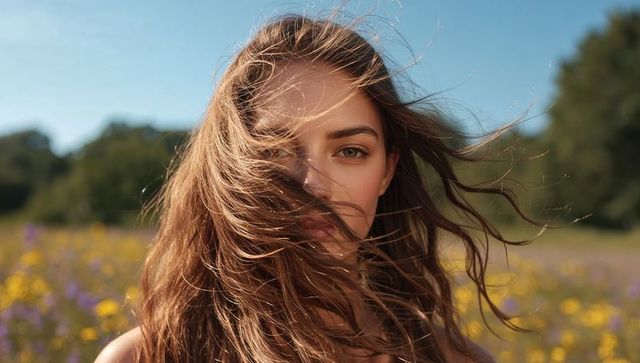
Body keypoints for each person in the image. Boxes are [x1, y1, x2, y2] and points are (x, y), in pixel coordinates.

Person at [96, 13, 542, 363]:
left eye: (350, 151)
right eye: (274, 150)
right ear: (231, 168)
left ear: (387, 171)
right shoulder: (146, 358)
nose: (313, 185)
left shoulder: (456, 360)